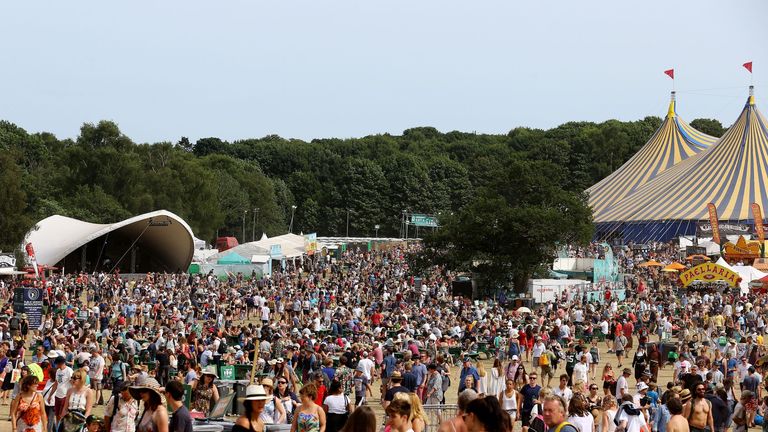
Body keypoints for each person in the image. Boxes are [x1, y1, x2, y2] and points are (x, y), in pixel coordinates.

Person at [47, 356, 73, 423]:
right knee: (57, 415)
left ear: (61, 363)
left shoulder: (69, 371)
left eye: (57, 363)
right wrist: (50, 396)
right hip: (57, 395)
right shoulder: (58, 371)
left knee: (63, 415)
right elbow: (56, 384)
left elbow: (73, 383)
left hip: (65, 396)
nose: (56, 365)